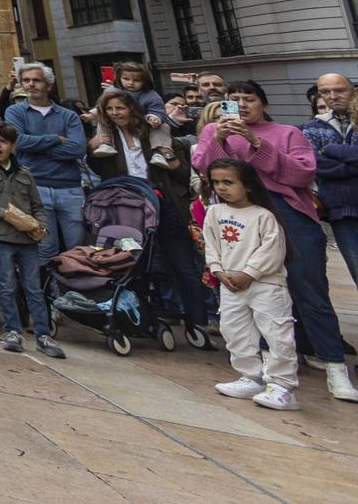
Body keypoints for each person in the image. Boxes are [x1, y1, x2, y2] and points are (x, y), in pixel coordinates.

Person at [191, 80, 356, 403]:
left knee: (309, 291)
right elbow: (206, 170)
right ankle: (261, 371)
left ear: (263, 104)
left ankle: (335, 367)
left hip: (287, 212)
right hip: (238, 217)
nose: (241, 105)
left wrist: (255, 142)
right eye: (234, 99)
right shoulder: (214, 132)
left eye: (248, 99)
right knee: (254, 295)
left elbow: (302, 174)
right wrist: (221, 140)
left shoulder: (287, 133)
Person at [88, 88, 208, 341]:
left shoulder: (154, 134)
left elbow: (182, 174)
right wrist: (92, 148)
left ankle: (198, 323)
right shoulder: (106, 138)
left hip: (164, 204)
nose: (115, 113)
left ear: (131, 108)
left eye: (120, 107)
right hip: (128, 210)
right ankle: (140, 319)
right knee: (134, 265)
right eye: (109, 109)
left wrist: (171, 159)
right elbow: (98, 168)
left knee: (183, 266)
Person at [204, 158, 301, 410]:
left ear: (247, 185)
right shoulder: (214, 212)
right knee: (234, 331)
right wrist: (218, 271)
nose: (221, 187)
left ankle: (283, 386)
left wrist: (249, 273)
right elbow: (211, 245)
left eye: (228, 182)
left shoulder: (263, 215)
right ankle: (250, 376)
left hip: (265, 284)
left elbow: (271, 249)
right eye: (216, 182)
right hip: (230, 283)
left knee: (277, 332)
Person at [0, 122, 64, 359]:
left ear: (13, 145)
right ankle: (13, 331)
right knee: (7, 285)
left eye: (3, 141)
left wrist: (41, 225)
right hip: (0, 236)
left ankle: (42, 334)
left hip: (27, 239)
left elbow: (37, 206)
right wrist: (7, 215)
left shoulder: (24, 173)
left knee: (33, 287)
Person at [2, 62, 86, 262]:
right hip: (35, 187)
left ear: (49, 85)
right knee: (46, 248)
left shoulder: (69, 115)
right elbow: (18, 141)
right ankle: (51, 292)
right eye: (26, 80)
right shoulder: (14, 112)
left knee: (77, 249)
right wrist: (55, 139)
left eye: (36, 80)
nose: (31, 84)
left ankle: (76, 291)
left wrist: (36, 149)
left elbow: (78, 149)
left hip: (70, 188)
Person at [301, 72, 357, 294]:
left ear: (352, 89)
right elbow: (314, 165)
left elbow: (325, 160)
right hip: (342, 211)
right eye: (325, 92)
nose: (332, 96)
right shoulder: (313, 126)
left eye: (339, 90)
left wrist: (333, 150)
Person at [113, 62, 167, 127]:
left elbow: (158, 110)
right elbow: (102, 106)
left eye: (136, 80)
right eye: (126, 79)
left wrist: (153, 118)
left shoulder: (151, 96)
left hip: (141, 127)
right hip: (115, 126)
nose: (131, 83)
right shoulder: (112, 91)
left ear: (145, 81)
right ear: (119, 78)